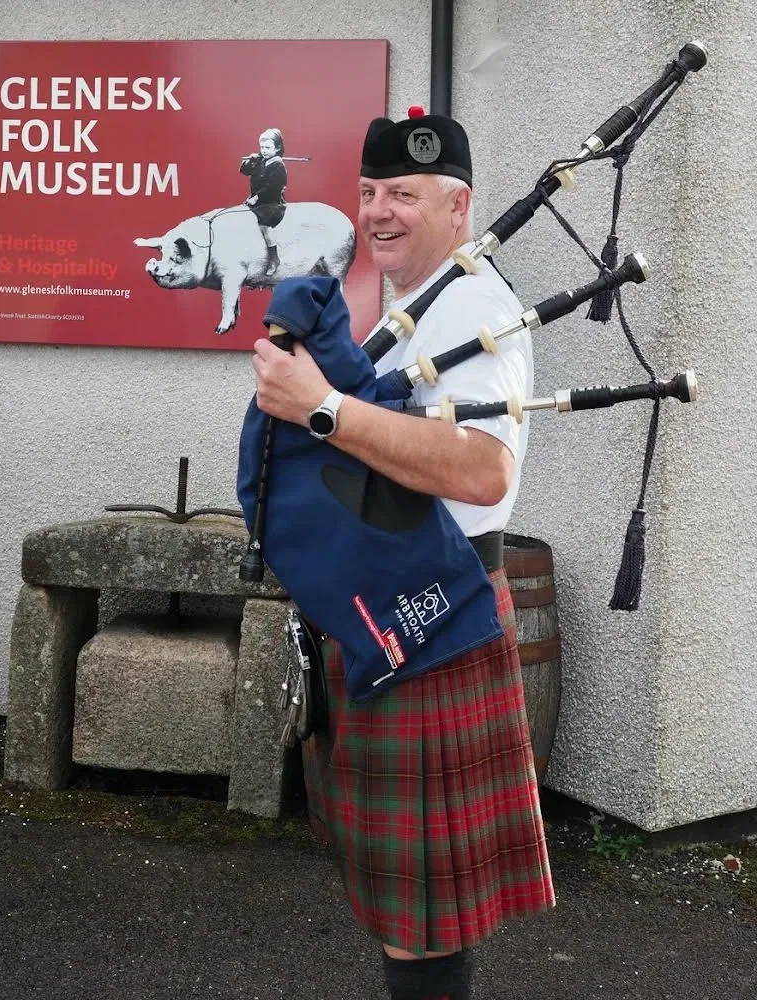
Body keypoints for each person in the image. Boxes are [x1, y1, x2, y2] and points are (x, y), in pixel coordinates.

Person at [250, 107, 555, 1000]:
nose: (380, 211)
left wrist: (322, 408)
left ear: (459, 208)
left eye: (406, 195)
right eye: (370, 192)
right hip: (386, 613)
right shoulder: (413, 307)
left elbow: (482, 468)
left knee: (420, 922)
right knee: (405, 908)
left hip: (434, 617)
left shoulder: (478, 307)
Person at [240, 127, 288, 276]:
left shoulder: (278, 166)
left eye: (268, 147)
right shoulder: (261, 161)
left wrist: (255, 198)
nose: (264, 150)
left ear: (277, 148)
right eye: (262, 147)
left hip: (272, 204)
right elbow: (244, 171)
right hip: (257, 203)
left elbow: (271, 188)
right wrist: (251, 160)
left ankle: (274, 258)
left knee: (264, 226)